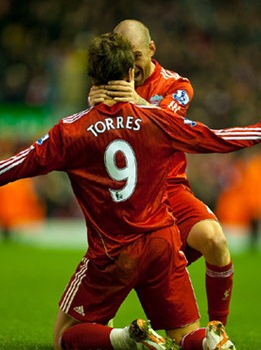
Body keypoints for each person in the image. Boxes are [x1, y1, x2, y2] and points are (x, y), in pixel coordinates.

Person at [0, 32, 261, 350]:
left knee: (65, 336)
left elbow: (12, 166)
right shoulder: (160, 120)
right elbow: (218, 138)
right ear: (133, 72)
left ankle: (128, 337)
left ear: (91, 77)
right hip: (164, 244)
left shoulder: (70, 132)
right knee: (184, 336)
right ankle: (210, 342)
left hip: (113, 252)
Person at [89, 19, 233, 325]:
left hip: (171, 190)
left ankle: (217, 328)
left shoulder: (176, 85)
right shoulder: (107, 82)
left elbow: (167, 127)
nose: (130, 64)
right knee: (94, 317)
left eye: (136, 55)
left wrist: (135, 102)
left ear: (151, 49)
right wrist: (92, 110)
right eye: (123, 55)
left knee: (215, 240)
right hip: (129, 200)